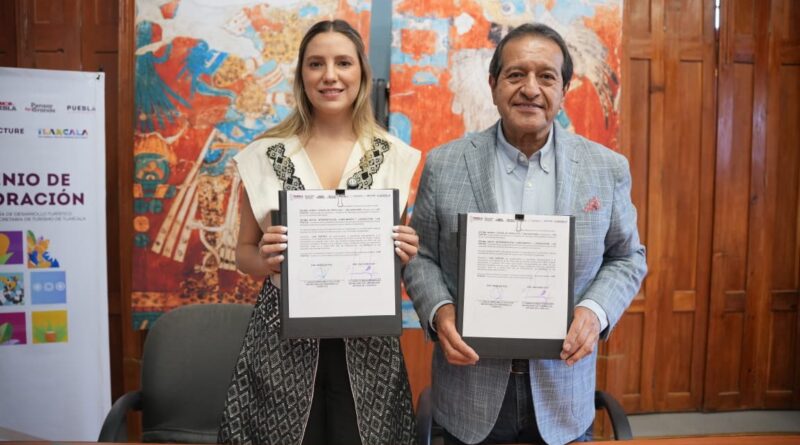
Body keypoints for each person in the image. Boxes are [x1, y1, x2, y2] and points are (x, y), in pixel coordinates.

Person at [404, 23, 647, 445]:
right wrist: (441, 312)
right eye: (516, 75)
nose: (530, 89)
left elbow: (628, 257)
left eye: (546, 76)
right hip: (469, 392)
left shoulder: (606, 168)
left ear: (564, 89)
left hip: (562, 394)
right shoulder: (444, 165)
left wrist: (594, 312)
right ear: (493, 85)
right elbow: (420, 255)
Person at [217, 19, 420, 445]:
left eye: (343, 62)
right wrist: (266, 258)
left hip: (369, 346)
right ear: (301, 74)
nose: (330, 75)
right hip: (280, 340)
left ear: (361, 72)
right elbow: (244, 254)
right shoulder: (263, 156)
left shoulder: (393, 157)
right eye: (316, 64)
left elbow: (392, 259)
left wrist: (404, 250)